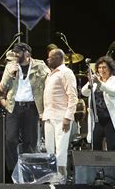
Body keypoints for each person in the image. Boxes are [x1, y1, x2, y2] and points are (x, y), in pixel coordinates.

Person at [0, 42, 50, 175]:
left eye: (18, 52)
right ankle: (14, 170)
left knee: (30, 142)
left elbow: (49, 79)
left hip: (31, 108)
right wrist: (10, 73)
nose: (15, 54)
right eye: (14, 52)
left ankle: (28, 172)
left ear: (27, 53)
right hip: (14, 107)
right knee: (10, 140)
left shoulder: (39, 65)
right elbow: (2, 88)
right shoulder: (10, 66)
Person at [81, 56, 115, 151]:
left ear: (110, 69)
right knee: (95, 146)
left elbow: (114, 91)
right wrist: (90, 83)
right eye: (99, 67)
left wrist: (100, 83)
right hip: (97, 120)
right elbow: (84, 92)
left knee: (113, 147)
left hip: (110, 120)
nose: (101, 70)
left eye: (104, 67)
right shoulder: (95, 81)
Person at [42, 48, 78, 180]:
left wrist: (68, 117)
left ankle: (61, 178)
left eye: (50, 57)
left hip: (61, 117)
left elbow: (73, 97)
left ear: (58, 58)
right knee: (49, 149)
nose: (47, 59)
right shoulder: (51, 74)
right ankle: (52, 176)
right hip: (49, 116)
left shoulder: (66, 72)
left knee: (61, 150)